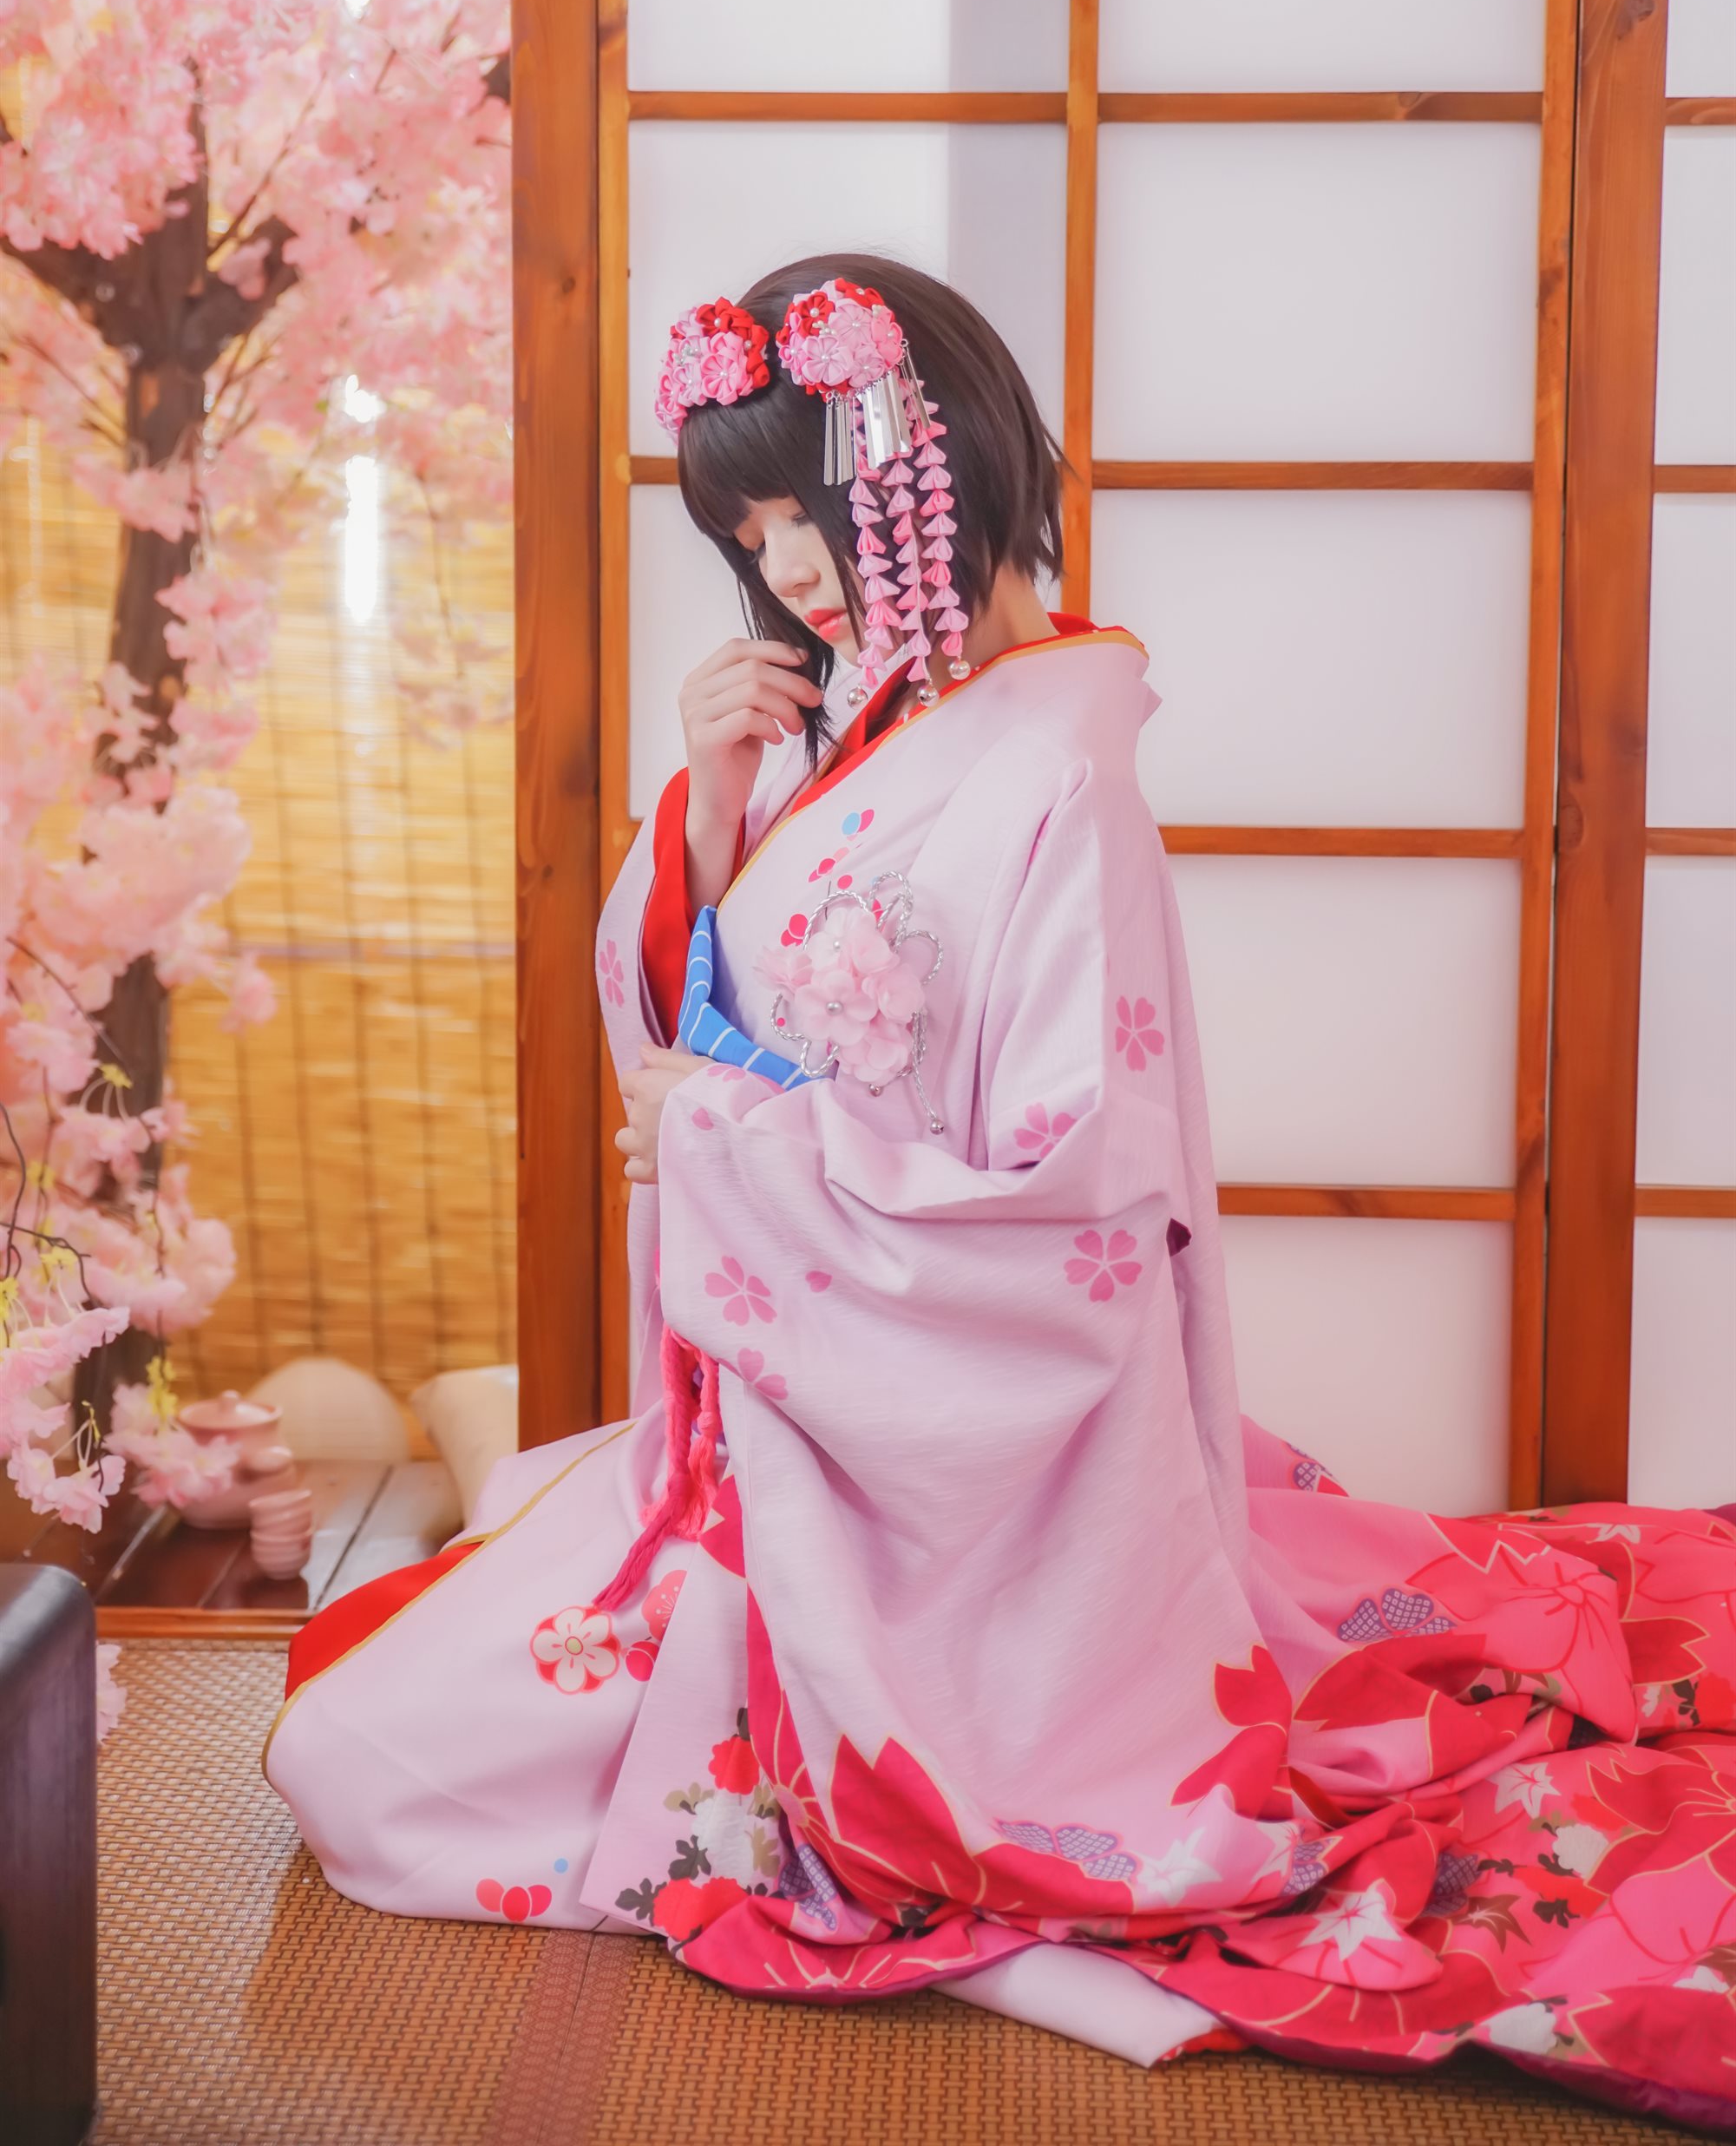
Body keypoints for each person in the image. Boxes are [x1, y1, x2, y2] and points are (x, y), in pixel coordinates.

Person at [267, 257, 1736, 2120]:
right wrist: (709, 804)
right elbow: (698, 1025)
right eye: (746, 534)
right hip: (787, 1407)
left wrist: (732, 1143)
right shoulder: (854, 723)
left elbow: (1073, 1197)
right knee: (357, 1737)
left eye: (806, 514)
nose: (788, 571)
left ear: (927, 462)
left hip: (941, 1465)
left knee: (383, 1769)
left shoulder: (1058, 776)